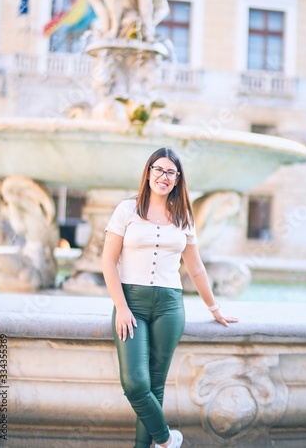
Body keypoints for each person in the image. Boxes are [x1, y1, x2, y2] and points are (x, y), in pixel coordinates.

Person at [102, 147, 238, 448]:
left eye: (171, 172)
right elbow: (108, 262)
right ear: (149, 172)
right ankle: (166, 440)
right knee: (135, 384)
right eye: (159, 169)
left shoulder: (183, 216)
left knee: (155, 384)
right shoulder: (127, 209)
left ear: (177, 180)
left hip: (169, 306)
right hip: (131, 304)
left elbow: (196, 268)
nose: (164, 177)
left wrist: (214, 307)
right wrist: (121, 308)